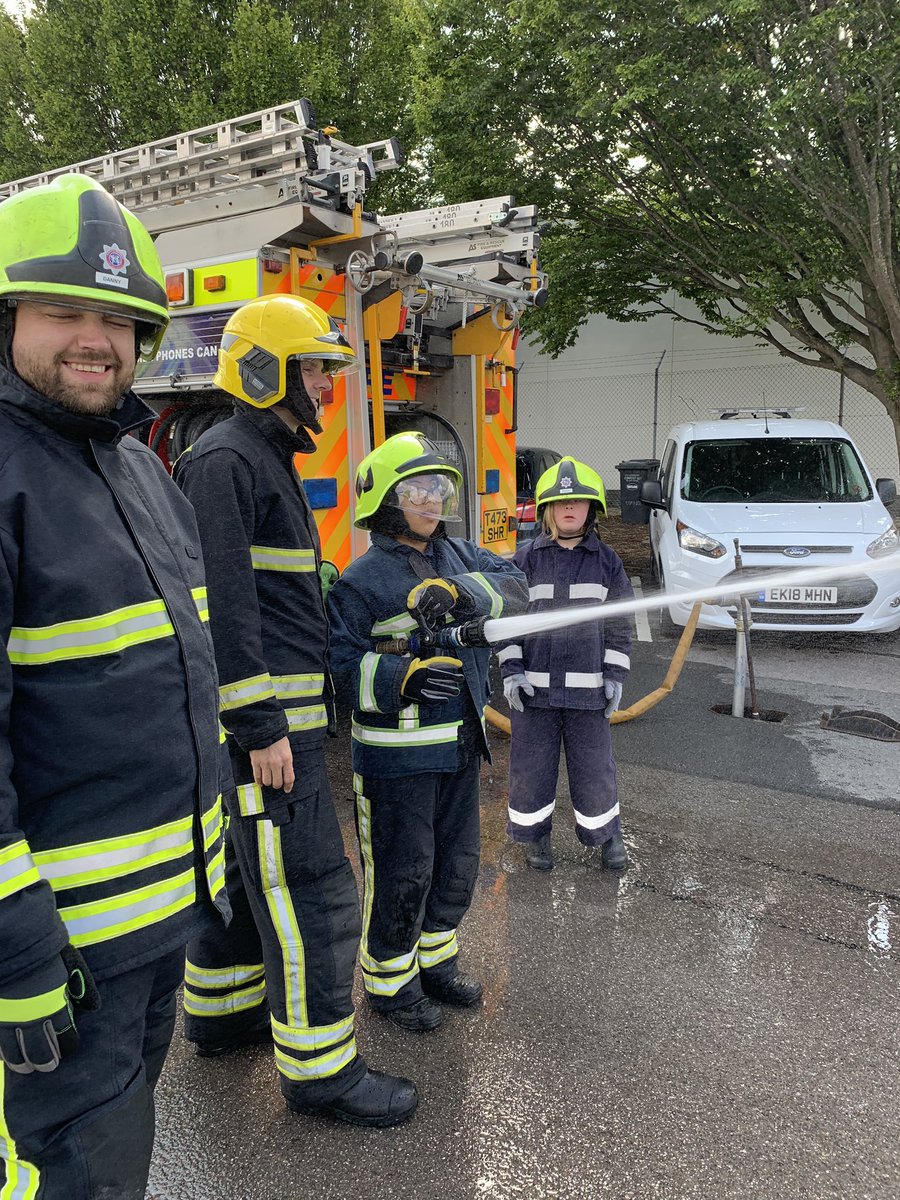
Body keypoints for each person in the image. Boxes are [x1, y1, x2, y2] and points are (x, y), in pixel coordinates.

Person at [0, 174, 229, 1199]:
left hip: (153, 927)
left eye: (120, 318)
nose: (97, 340)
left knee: (116, 1162)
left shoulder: (140, 471)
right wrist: (15, 952)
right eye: (64, 311)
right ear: (8, 317)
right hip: (56, 952)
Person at [175, 294, 417, 1128]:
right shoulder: (227, 461)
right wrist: (261, 727)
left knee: (248, 880)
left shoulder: (256, 456)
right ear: (265, 370)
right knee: (310, 890)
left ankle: (223, 1015)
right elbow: (221, 608)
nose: (324, 383)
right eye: (312, 367)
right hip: (269, 732)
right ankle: (322, 1074)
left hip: (276, 725)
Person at [328, 432, 528, 1033]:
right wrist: (401, 678)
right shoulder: (361, 582)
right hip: (396, 764)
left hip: (459, 749)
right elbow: (338, 669)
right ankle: (391, 982)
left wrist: (461, 592)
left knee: (454, 866)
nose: (433, 500)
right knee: (402, 872)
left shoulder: (460, 556)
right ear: (385, 500)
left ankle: (436, 963)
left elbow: (516, 588)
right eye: (418, 489)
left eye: (439, 488)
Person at [499, 457, 632, 872]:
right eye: (560, 502)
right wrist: (511, 671)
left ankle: (605, 834)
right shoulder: (524, 561)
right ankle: (534, 836)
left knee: (594, 770)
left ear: (592, 509)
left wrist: (614, 675)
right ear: (546, 510)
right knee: (531, 770)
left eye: (577, 501)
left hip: (588, 695)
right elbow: (506, 623)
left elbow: (620, 624)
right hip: (533, 694)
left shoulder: (607, 562)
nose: (569, 507)